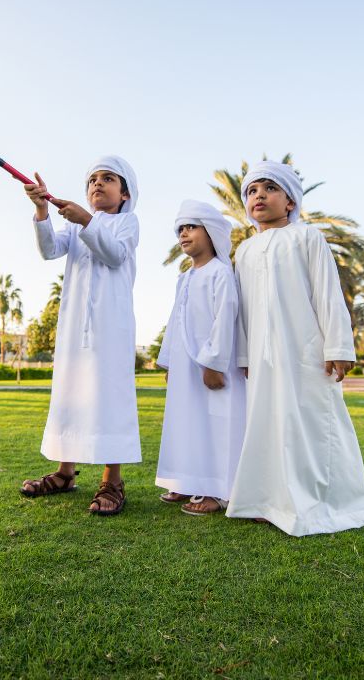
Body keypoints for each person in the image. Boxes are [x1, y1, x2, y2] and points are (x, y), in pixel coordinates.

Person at [227, 160, 364, 536]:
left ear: (290, 201)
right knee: (268, 426)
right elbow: (241, 309)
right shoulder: (243, 251)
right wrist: (244, 355)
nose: (259, 196)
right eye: (252, 191)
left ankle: (324, 504)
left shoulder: (307, 237)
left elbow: (327, 293)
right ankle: (269, 501)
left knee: (311, 426)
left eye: (269, 189)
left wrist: (338, 346)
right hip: (262, 356)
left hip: (307, 351)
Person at [18, 157, 140, 516]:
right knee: (70, 393)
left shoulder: (127, 223)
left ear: (125, 193)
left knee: (109, 397)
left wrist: (85, 220)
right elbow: (49, 250)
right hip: (73, 326)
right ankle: (65, 473)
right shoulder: (73, 228)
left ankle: (112, 481)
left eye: (107, 179)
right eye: (92, 180)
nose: (97, 184)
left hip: (111, 327)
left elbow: (116, 255)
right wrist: (43, 210)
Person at [155, 200, 247, 516]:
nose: (184, 234)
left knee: (218, 426)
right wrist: (168, 361)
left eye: (191, 227)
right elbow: (175, 321)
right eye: (180, 228)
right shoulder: (185, 277)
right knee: (187, 423)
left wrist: (213, 364)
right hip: (185, 367)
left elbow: (226, 319)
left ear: (212, 233)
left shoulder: (221, 273)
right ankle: (188, 480)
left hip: (212, 368)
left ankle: (219, 492)